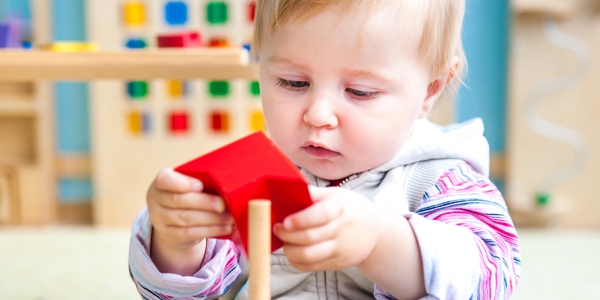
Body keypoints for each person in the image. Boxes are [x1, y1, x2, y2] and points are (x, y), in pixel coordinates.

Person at [128, 0, 521, 299]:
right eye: (293, 82)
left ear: (430, 90)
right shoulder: (250, 173)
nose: (318, 115)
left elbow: (488, 278)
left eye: (359, 92)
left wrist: (379, 240)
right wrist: (175, 241)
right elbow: (184, 293)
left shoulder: (443, 179)